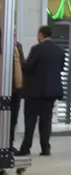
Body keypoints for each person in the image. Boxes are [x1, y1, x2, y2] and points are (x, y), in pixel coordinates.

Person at [17, 26, 65, 157]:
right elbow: (60, 68)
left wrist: (21, 62)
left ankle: (26, 148)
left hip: (35, 91)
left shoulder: (36, 49)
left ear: (40, 35)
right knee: (46, 120)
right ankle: (45, 148)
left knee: (30, 120)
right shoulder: (59, 51)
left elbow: (27, 67)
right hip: (51, 92)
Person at [8, 34, 24, 146]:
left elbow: (22, 64)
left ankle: (10, 144)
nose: (14, 34)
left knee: (13, 119)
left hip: (17, 89)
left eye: (15, 32)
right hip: (6, 87)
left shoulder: (18, 46)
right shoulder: (4, 45)